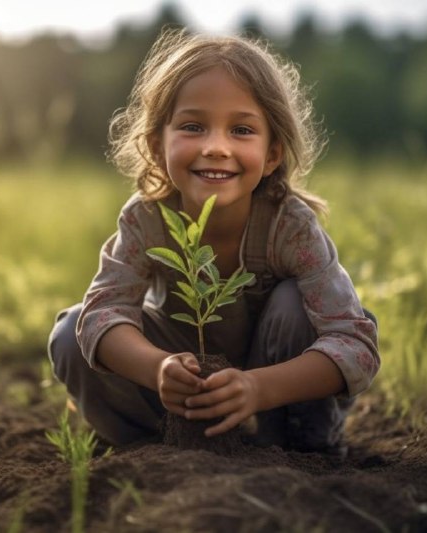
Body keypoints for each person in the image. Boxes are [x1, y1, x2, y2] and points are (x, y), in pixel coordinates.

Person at [48, 29, 379, 454]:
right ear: (156, 144)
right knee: (70, 334)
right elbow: (100, 315)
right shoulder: (148, 218)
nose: (216, 147)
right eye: (192, 126)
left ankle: (300, 449)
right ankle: (150, 448)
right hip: (179, 398)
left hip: (276, 402)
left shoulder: (290, 227)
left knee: (296, 305)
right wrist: (159, 368)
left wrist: (257, 389)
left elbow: (355, 344)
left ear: (273, 153)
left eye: (241, 129)